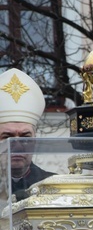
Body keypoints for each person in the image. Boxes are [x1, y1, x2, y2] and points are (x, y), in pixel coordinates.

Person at [0, 68, 54, 199]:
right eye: (7, 137)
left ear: (35, 141)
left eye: (25, 137)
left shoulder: (52, 185)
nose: (17, 146)